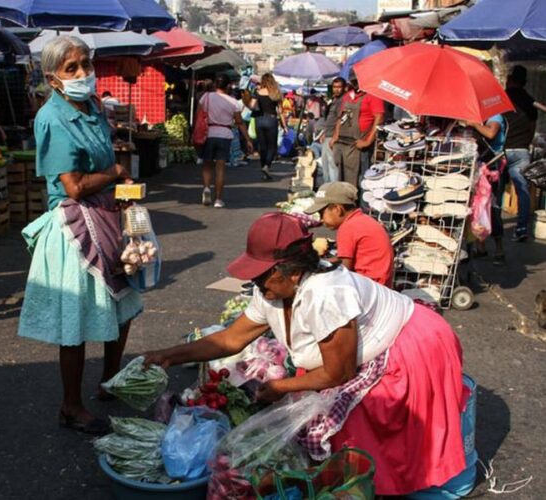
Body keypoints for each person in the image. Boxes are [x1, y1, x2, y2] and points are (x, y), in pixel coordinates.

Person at [144, 212, 467, 496]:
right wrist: (170, 355)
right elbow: (230, 339)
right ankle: (362, 485)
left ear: (293, 271)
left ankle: (380, 486)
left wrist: (279, 387)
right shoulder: (271, 290)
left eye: (262, 275)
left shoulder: (326, 294)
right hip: (353, 356)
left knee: (376, 432)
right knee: (343, 436)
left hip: (411, 342)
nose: (256, 283)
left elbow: (339, 374)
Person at [17, 36, 142, 435]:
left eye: (85, 64)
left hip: (105, 212)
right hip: (74, 224)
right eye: (71, 69)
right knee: (78, 317)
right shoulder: (52, 118)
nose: (82, 74)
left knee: (122, 300)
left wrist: (119, 190)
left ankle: (110, 380)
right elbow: (72, 185)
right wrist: (117, 173)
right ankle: (70, 405)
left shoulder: (92, 107)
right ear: (53, 79)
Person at [304, 182, 394, 287]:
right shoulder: (363, 220)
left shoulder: (348, 228)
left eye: (321, 213)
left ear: (337, 209)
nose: (321, 219)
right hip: (381, 286)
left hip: (367, 288)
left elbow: (344, 270)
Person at [199, 75, 253, 208]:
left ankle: (206, 188)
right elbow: (239, 122)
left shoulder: (206, 97)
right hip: (225, 134)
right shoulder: (233, 101)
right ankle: (218, 199)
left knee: (207, 164)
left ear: (216, 84)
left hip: (209, 133)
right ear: (228, 86)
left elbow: (198, 116)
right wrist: (248, 140)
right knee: (220, 168)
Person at [505, 65, 545, 242]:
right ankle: (521, 228)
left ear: (510, 79)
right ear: (525, 82)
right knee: (523, 191)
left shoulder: (502, 97)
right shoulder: (530, 103)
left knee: (494, 192)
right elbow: (532, 128)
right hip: (521, 150)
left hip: (501, 150)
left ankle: (492, 231)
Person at [466, 114, 507, 264]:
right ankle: (480, 247)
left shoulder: (495, 116)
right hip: (478, 168)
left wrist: (474, 124)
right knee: (475, 209)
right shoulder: (479, 115)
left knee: (493, 208)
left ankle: (499, 249)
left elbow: (490, 133)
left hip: (492, 168)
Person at [331, 76, 384, 185]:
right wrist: (335, 137)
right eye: (353, 81)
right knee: (342, 179)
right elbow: (341, 118)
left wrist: (368, 141)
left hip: (359, 145)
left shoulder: (373, 95)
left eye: (357, 81)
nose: (355, 84)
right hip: (343, 143)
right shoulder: (347, 96)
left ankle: (359, 202)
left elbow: (379, 118)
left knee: (360, 180)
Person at [250, 73, 286, 181]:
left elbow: (252, 106)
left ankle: (264, 171)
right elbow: (280, 112)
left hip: (259, 119)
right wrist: (284, 126)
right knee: (272, 146)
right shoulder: (276, 93)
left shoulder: (257, 92)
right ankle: (267, 166)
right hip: (271, 119)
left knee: (263, 146)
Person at [318, 77, 345, 183]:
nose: (336, 89)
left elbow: (340, 119)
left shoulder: (342, 101)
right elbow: (329, 119)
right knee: (325, 164)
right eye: (334, 87)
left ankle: (333, 191)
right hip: (327, 134)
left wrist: (335, 136)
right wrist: (324, 133)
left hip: (333, 136)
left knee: (332, 165)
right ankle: (327, 188)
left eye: (339, 87)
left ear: (344, 88)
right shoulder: (333, 100)